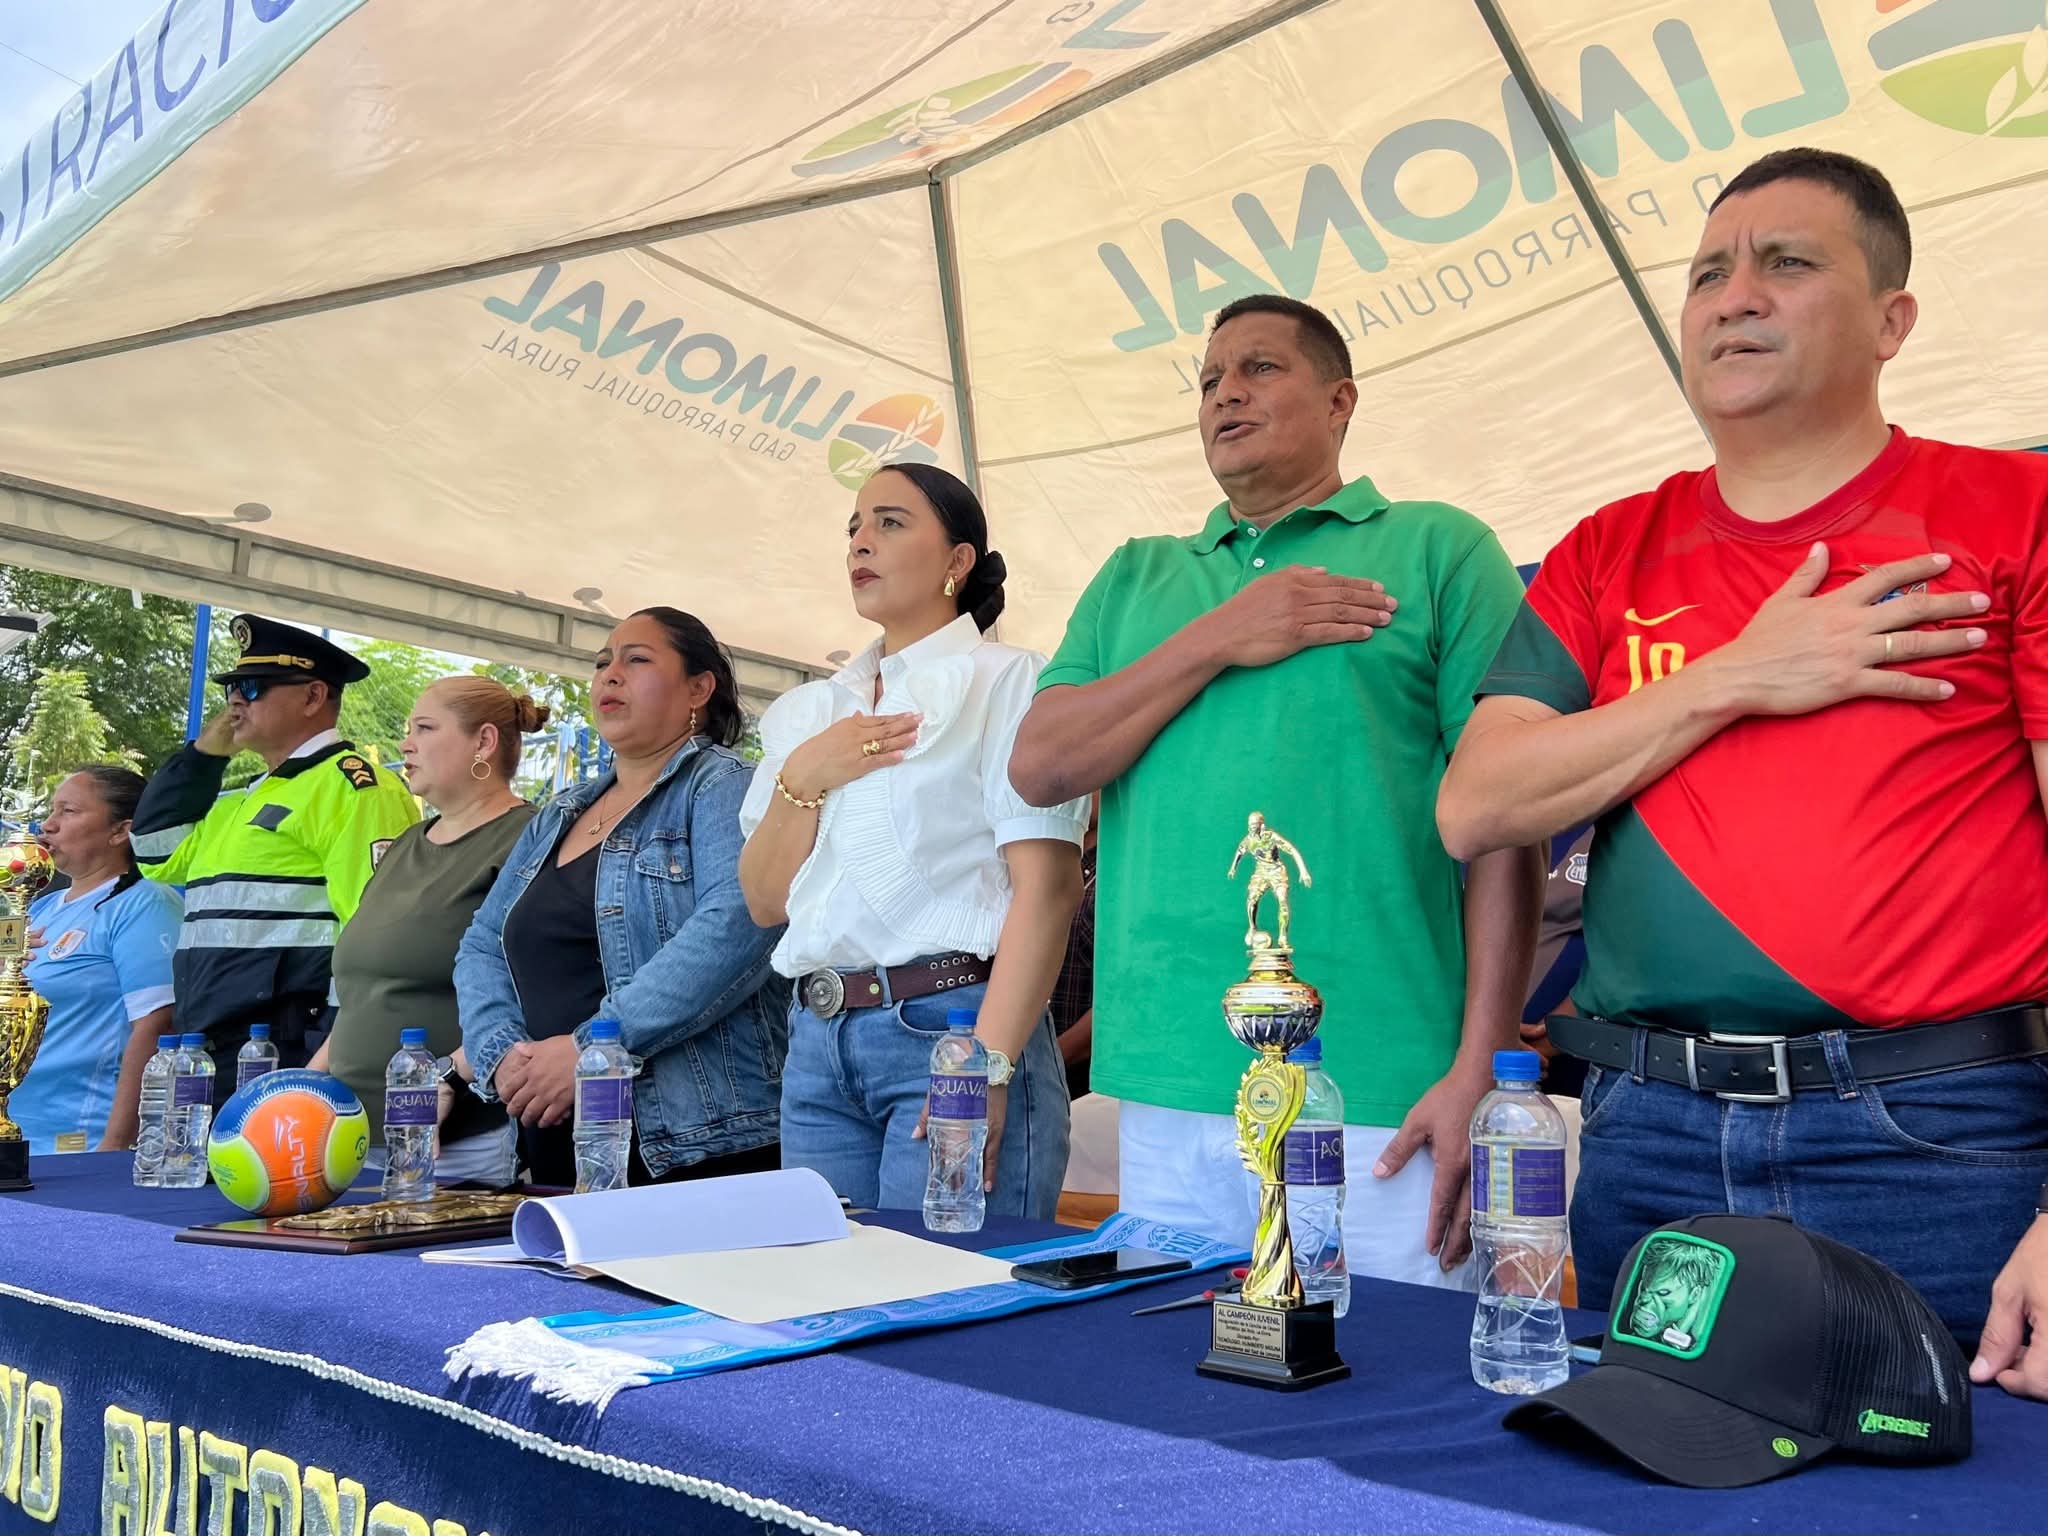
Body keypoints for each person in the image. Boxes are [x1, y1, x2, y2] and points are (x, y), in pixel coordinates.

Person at [1436, 148, 2048, 1395]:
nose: (1733, 296)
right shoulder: (1607, 547)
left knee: (1958, 1480)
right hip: (1648, 1130)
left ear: (1890, 321)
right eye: (1707, 273)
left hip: (1938, 1132)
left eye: (1785, 262)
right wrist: (1734, 674)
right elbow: (1476, 804)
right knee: (1643, 1472)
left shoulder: (2013, 509)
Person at [1009, 294, 1543, 1285]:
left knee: (1389, 1370)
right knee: (1171, 1373)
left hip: (1382, 1083)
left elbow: (1510, 823)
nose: (1226, 394)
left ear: (1340, 401)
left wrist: (1480, 1064)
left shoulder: (1439, 548)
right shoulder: (1135, 576)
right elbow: (1041, 765)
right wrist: (1224, 632)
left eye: (1259, 368)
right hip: (1167, 1080)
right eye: (1209, 380)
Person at [739, 463, 1087, 1219]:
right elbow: (765, 901)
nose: (860, 541)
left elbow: (1050, 889)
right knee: (823, 1284)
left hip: (955, 1029)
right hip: (816, 1040)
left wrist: (989, 1065)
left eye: (890, 523)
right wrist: (806, 773)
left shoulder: (1010, 679)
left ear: (958, 560)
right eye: (854, 528)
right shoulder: (809, 711)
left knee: (949, 1278)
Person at [456, 609, 788, 1187]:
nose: (610, 675)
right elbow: (482, 943)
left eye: (637, 660)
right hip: (550, 1135)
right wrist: (503, 1056)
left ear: (699, 688)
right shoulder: (560, 812)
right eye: (602, 662)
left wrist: (589, 1052)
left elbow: (735, 925)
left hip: (691, 1146)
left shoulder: (724, 785)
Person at [129, 616, 420, 1103]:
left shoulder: (356, 789)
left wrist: (330, 1048)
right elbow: (155, 852)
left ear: (312, 697)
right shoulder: (240, 800)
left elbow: (376, 931)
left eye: (252, 687)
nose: (235, 701)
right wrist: (202, 756)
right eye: (230, 689)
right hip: (213, 1044)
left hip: (288, 1049)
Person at [310, 677, 546, 1185]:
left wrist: (447, 1077)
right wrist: (306, 1083)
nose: (405, 744)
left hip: (450, 1145)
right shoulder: (405, 844)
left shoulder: (529, 838)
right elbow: (367, 990)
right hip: (341, 1133)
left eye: (424, 728)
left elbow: (540, 993)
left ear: (484, 742)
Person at [18, 768, 181, 1153]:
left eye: (69, 811)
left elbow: (156, 1024)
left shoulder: (144, 904)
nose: (48, 824)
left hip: (77, 1141)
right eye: (51, 810)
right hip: (17, 1133)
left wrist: (115, 1144)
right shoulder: (40, 908)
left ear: (120, 831)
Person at [1048, 797, 1099, 1102]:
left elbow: (1127, 997)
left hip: (1086, 1091)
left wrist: (1049, 1058)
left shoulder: (1121, 875)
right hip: (1032, 1076)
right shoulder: (1048, 860)